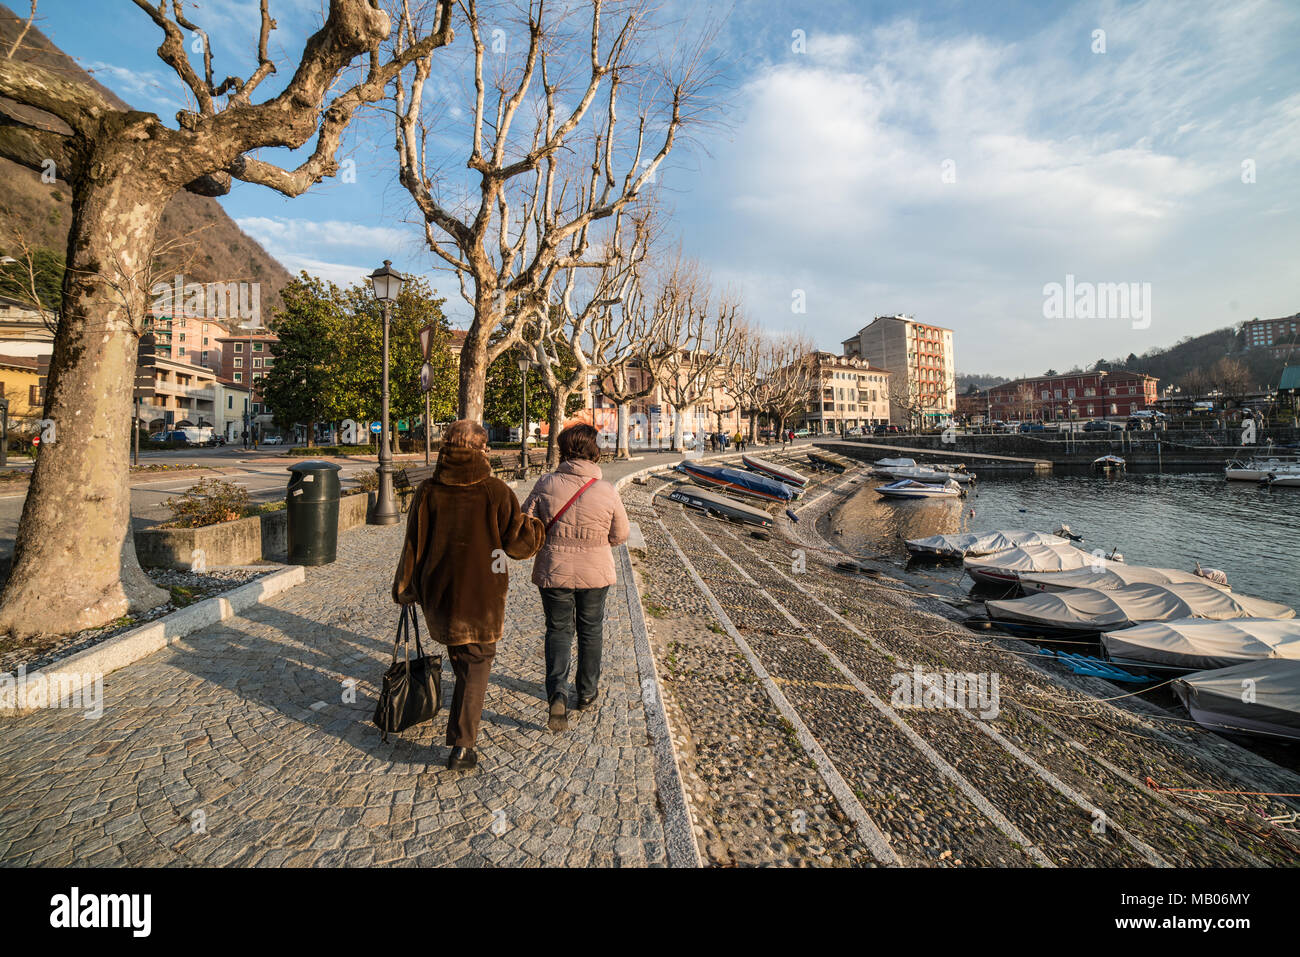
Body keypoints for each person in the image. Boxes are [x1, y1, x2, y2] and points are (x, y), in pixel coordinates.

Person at [392, 419, 544, 771]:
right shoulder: (495, 490)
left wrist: (405, 586)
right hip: (482, 593)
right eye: (486, 445)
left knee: (462, 657)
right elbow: (519, 545)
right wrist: (536, 525)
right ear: (480, 449)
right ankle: (463, 745)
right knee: (477, 664)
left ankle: (460, 731)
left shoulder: (428, 490)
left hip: (440, 590)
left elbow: (413, 544)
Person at [522, 423, 630, 733]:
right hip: (595, 572)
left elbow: (526, 524)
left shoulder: (546, 483)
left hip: (554, 569)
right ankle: (586, 692)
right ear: (593, 452)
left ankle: (557, 692)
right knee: (591, 630)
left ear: (563, 450)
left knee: (558, 630)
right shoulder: (606, 490)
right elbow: (620, 535)